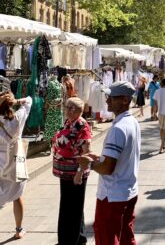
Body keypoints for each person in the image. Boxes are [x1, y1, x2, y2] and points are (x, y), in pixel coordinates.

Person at [78, 81, 141, 245]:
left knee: (107, 237)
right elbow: (118, 159)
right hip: (128, 190)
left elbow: (108, 169)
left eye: (111, 98)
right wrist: (100, 158)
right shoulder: (132, 122)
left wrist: (89, 164)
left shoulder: (118, 128)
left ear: (125, 100)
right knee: (126, 236)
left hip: (112, 195)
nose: (107, 101)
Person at [52, 97, 91, 245]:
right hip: (65, 173)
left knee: (71, 209)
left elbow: (87, 153)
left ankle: (68, 241)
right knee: (73, 206)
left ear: (77, 110)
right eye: (66, 106)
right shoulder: (69, 122)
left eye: (68, 107)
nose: (65, 109)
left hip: (75, 173)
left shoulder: (82, 126)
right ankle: (79, 237)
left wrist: (80, 173)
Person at [0, 92, 31, 239]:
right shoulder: (18, 118)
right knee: (17, 196)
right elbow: (29, 100)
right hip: (15, 162)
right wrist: (15, 100)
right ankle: (19, 230)